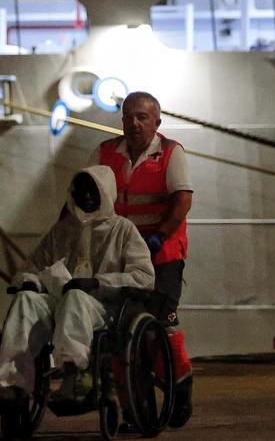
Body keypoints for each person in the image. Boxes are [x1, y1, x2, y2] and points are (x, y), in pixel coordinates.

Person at [0, 165, 153, 403]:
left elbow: (143, 277)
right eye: (81, 190)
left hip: (104, 308)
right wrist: (31, 282)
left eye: (93, 190)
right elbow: (30, 269)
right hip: (60, 302)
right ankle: (14, 383)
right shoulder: (62, 231)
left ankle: (76, 373)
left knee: (75, 297)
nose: (86, 196)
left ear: (105, 193)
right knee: (26, 299)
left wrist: (97, 282)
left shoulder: (123, 230)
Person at [87, 91, 195, 427]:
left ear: (156, 122)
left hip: (162, 257)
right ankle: (134, 408)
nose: (134, 123)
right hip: (119, 258)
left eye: (142, 117)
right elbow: (85, 194)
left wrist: (160, 234)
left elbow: (182, 201)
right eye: (128, 117)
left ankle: (180, 390)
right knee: (118, 332)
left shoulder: (170, 153)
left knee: (160, 327)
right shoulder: (105, 153)